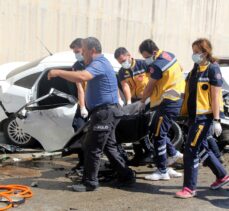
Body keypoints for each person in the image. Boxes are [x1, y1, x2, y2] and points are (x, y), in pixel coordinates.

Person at [48, 37, 135, 192]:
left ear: (92, 50)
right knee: (109, 147)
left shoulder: (99, 63)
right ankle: (126, 175)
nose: (82, 54)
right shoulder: (98, 63)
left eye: (84, 51)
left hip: (104, 113)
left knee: (92, 146)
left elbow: (82, 77)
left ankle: (90, 182)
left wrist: (57, 72)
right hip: (105, 112)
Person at [176, 38, 229, 199]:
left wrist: (216, 120)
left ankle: (189, 188)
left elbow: (215, 96)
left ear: (205, 53)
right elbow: (191, 91)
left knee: (191, 150)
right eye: (193, 52)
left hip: (204, 118)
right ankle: (222, 175)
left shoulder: (213, 69)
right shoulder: (196, 68)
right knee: (202, 148)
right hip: (193, 117)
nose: (194, 55)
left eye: (196, 52)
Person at [138, 39, 185, 180]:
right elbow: (181, 68)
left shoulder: (158, 65)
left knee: (158, 135)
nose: (146, 60)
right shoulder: (169, 55)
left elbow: (150, 86)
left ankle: (162, 171)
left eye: (146, 57)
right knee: (157, 130)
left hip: (167, 102)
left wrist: (142, 101)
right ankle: (173, 154)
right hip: (175, 99)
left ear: (153, 52)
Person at [114, 47, 154, 166]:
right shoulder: (122, 71)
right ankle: (138, 154)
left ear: (129, 55)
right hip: (135, 101)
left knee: (143, 127)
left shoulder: (143, 64)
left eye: (123, 60)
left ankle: (149, 152)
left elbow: (153, 79)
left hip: (147, 100)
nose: (123, 63)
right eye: (120, 62)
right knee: (133, 127)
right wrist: (129, 101)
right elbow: (125, 86)